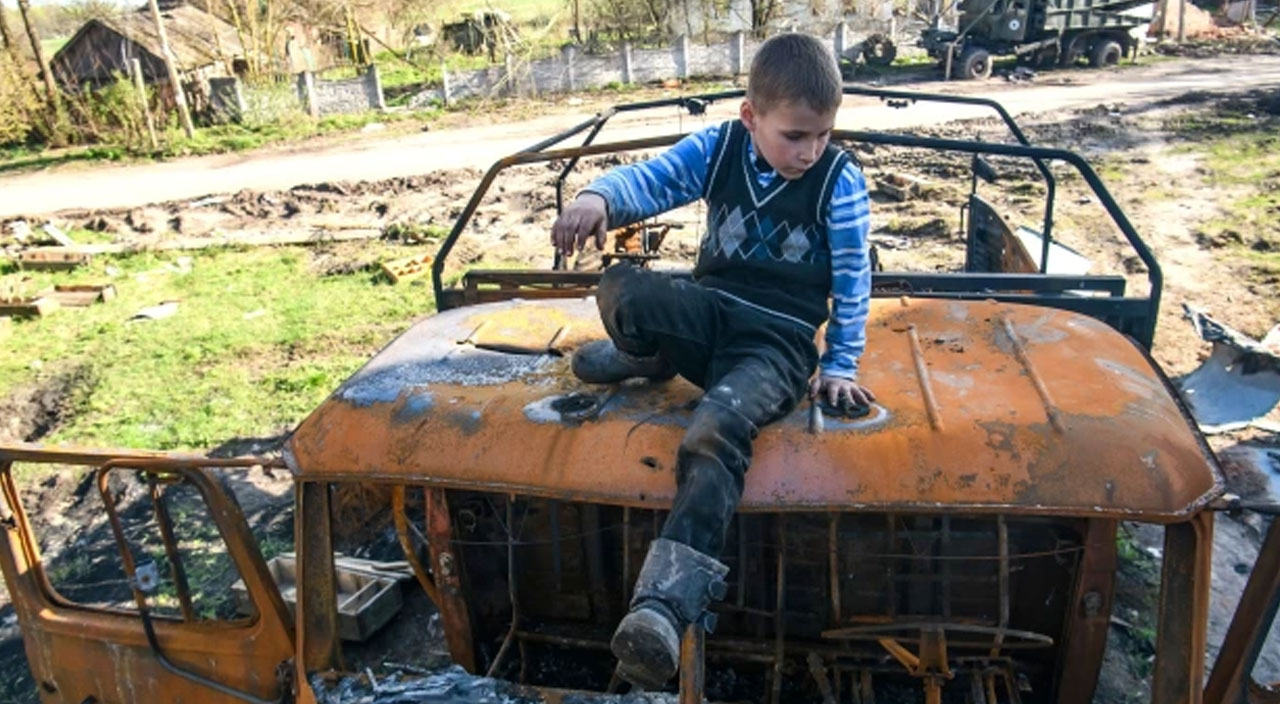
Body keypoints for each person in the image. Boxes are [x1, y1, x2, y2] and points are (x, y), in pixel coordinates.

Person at [550, 32, 874, 690]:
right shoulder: (720, 148)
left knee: (713, 431)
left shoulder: (839, 183)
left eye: (822, 135)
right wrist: (599, 199)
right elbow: (655, 177)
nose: (810, 151)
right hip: (710, 313)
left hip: (775, 345)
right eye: (794, 136)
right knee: (622, 287)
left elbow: (852, 279)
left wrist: (838, 365)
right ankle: (647, 355)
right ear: (751, 118)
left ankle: (663, 607)